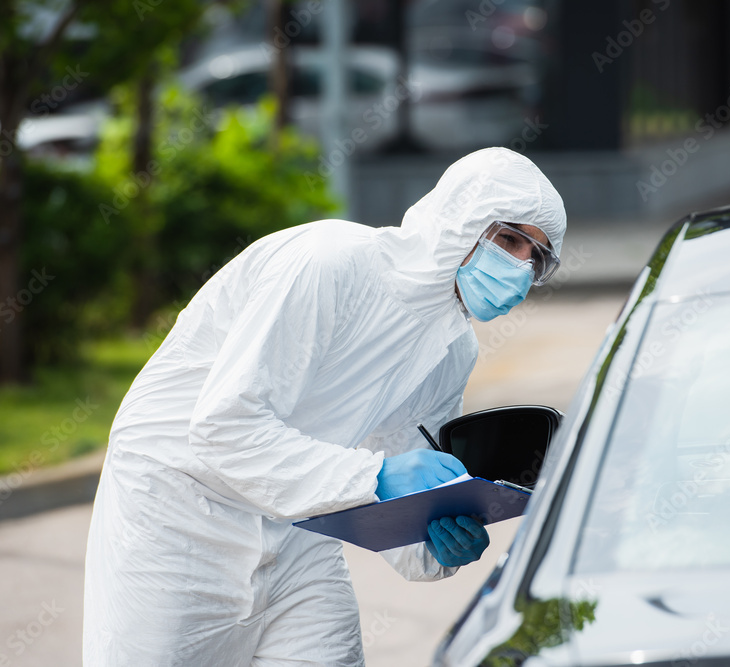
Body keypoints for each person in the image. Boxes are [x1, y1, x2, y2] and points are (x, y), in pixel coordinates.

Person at [82, 146, 566, 666]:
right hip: (178, 515)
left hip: (299, 524)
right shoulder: (330, 262)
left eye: (535, 256)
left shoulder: (453, 346)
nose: (519, 265)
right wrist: (378, 476)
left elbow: (402, 476)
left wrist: (434, 539)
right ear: (459, 219)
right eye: (509, 238)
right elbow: (223, 428)